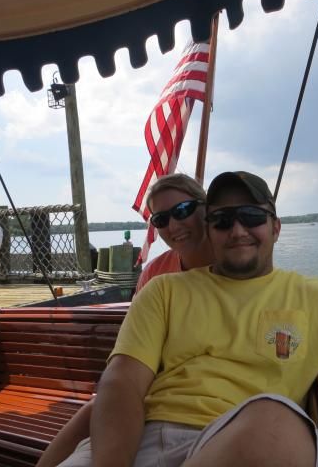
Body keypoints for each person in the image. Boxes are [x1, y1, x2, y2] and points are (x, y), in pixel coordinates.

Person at [56, 171, 318, 467]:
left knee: (274, 423)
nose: (237, 230)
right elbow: (124, 381)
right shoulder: (164, 291)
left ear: (276, 227)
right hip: (143, 440)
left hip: (250, 442)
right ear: (210, 230)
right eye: (222, 220)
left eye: (251, 217)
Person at [36, 173, 214, 467]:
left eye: (182, 211)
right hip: (150, 385)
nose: (173, 226)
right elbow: (135, 346)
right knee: (96, 408)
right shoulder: (155, 274)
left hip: (197, 398)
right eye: (161, 219)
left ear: (206, 208)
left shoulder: (234, 268)